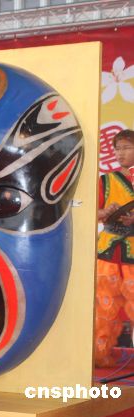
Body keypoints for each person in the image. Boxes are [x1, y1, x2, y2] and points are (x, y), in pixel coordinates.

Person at [95, 129, 134, 367]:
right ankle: (100, 356)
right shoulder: (105, 180)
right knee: (103, 307)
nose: (120, 153)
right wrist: (105, 212)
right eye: (117, 149)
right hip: (108, 254)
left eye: (127, 148)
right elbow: (93, 212)